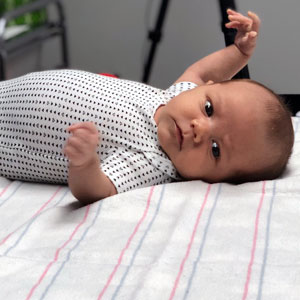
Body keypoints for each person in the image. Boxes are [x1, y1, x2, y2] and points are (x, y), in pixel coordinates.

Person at [0, 9, 294, 205]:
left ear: (216, 180)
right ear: (207, 90)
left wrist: (85, 163)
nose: (199, 129)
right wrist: (239, 52)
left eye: (215, 150)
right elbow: (201, 73)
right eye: (208, 109)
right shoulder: (177, 95)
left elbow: (97, 189)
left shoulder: (155, 163)